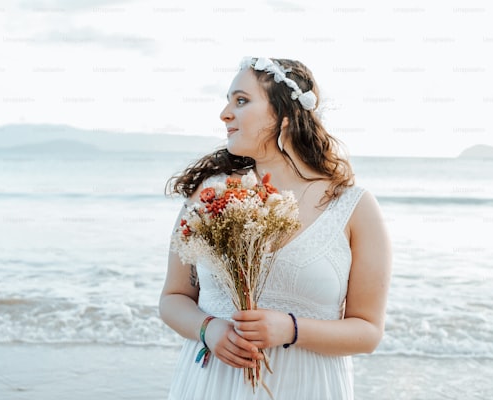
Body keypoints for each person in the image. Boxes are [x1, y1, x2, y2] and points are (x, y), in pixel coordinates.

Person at [160, 57, 392, 399]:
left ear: (284, 117)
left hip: (307, 387)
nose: (225, 114)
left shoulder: (353, 207)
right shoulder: (210, 195)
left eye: (241, 101)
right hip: (214, 385)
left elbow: (368, 331)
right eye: (228, 101)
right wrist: (209, 330)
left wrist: (291, 329)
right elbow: (172, 299)